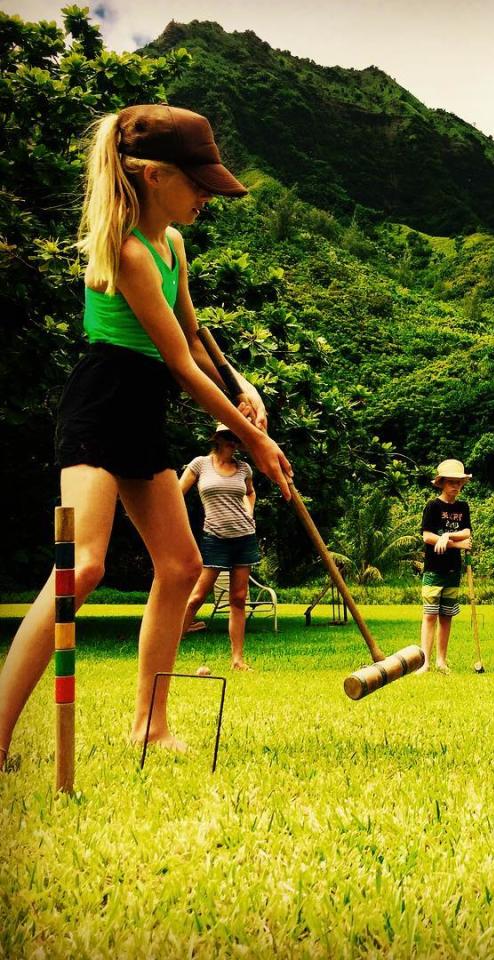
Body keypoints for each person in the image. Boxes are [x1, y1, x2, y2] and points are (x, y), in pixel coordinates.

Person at [0, 104, 292, 769]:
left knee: (183, 565)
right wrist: (250, 437)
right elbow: (179, 365)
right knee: (86, 565)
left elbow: (194, 337)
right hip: (100, 404)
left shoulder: (172, 246)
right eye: (198, 185)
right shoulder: (129, 249)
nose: (206, 199)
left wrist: (242, 384)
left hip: (141, 411)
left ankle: (149, 726)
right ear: (156, 176)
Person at [180, 424, 260, 671]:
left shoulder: (243, 468)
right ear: (219, 438)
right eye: (229, 437)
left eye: (237, 438)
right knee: (197, 596)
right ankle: (171, 643)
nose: (233, 443)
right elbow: (176, 494)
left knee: (238, 598)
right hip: (215, 537)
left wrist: (249, 511)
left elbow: (250, 493)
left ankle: (237, 660)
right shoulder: (200, 464)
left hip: (244, 536)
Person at [417, 459, 473, 674]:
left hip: (453, 569)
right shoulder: (433, 506)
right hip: (433, 569)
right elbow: (428, 536)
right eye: (451, 482)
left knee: (446, 615)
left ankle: (441, 660)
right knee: (430, 614)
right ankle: (425, 662)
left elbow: (467, 532)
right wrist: (457, 544)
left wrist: (448, 535)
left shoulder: (462, 507)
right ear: (441, 483)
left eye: (459, 482)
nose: (455, 486)